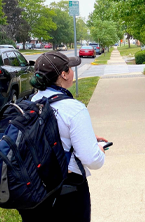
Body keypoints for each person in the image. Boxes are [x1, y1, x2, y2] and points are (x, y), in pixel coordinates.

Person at [18, 51, 106, 221]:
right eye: (70, 68)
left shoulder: (31, 103)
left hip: (33, 191)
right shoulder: (74, 109)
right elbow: (91, 159)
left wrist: (85, 137)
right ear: (64, 74)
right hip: (67, 191)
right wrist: (99, 151)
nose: (73, 71)